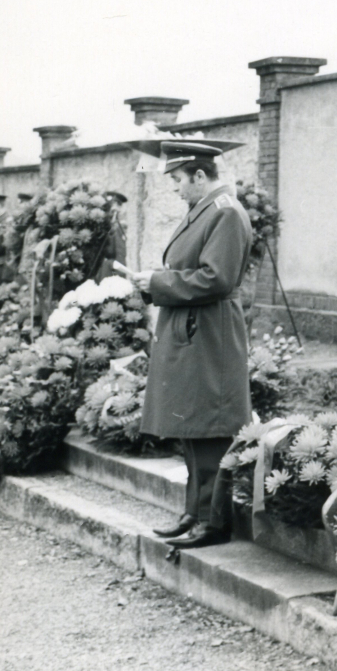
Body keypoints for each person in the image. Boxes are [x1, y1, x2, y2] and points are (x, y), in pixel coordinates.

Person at [120, 141, 254, 549]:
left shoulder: (226, 212)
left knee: (211, 426)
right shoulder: (207, 210)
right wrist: (153, 282)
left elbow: (217, 278)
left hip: (209, 330)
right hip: (194, 327)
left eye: (178, 179)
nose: (175, 189)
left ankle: (213, 522)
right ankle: (194, 511)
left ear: (200, 176)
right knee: (193, 424)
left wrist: (158, 282)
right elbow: (192, 271)